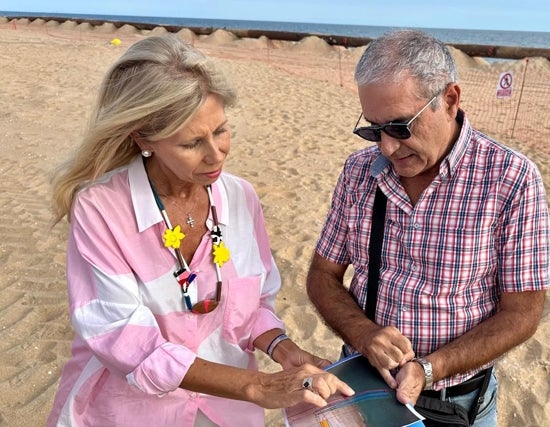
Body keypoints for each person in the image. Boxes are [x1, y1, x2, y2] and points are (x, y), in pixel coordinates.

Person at [47, 34, 353, 427]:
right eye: (192, 143)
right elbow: (123, 337)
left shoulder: (240, 197)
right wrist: (256, 386)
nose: (216, 154)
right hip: (127, 409)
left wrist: (282, 348)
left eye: (221, 131)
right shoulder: (101, 207)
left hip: (225, 411)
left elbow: (253, 303)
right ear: (143, 138)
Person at [306, 29, 550, 426]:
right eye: (373, 129)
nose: (386, 148)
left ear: (450, 100)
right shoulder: (358, 172)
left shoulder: (511, 178)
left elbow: (522, 313)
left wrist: (430, 367)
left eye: (401, 127)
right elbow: (322, 275)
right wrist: (364, 334)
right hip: (363, 386)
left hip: (457, 399)